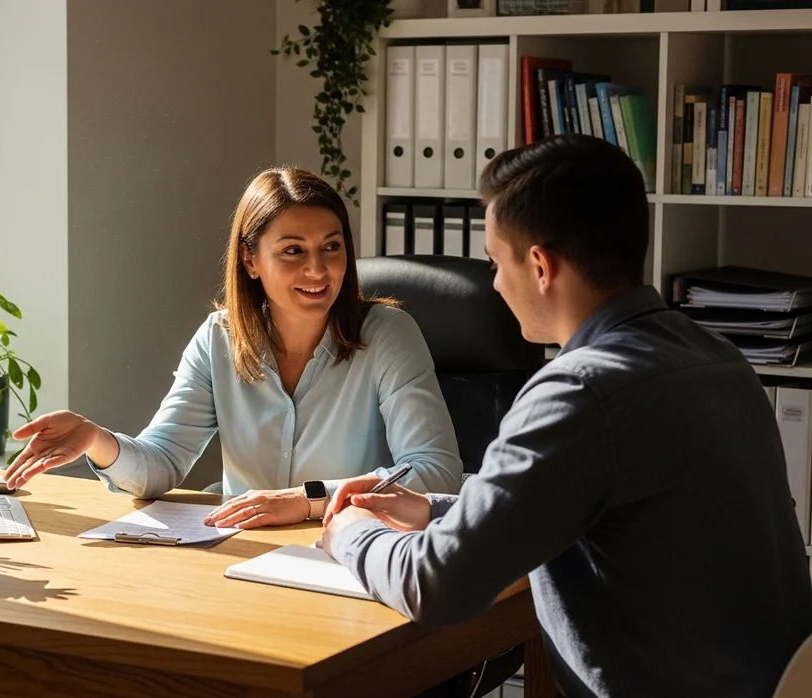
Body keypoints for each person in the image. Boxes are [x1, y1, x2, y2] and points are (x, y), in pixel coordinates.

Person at [321, 134, 812, 698]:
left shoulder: (580, 390)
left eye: (495, 263)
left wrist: (350, 533)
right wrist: (431, 508)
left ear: (540, 266)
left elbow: (436, 586)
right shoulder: (715, 357)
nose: (496, 285)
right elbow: (596, 501)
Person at [3, 166, 462, 528]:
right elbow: (161, 463)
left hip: (351, 551)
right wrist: (95, 440)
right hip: (242, 556)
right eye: (293, 251)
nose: (318, 270)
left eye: (332, 247)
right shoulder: (219, 338)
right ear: (250, 259)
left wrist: (307, 501)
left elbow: (435, 473)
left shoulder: (387, 335)